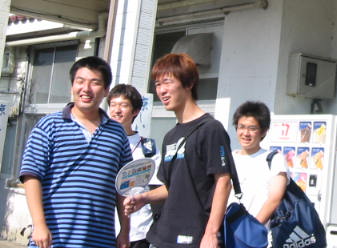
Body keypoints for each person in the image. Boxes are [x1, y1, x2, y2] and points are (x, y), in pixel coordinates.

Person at [20, 56, 132, 248]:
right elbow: (31, 176)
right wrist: (39, 225)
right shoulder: (49, 126)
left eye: (95, 83)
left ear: (105, 91)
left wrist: (125, 231)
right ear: (72, 86)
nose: (86, 89)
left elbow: (124, 185)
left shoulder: (117, 133)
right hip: (53, 238)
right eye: (80, 82)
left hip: (100, 239)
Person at [125, 53, 232, 248]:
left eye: (167, 82)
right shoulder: (170, 136)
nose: (162, 91)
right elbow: (171, 186)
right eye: (157, 84)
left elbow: (223, 182)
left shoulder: (210, 129)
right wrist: (144, 197)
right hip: (163, 235)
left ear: (189, 83)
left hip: (194, 236)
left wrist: (211, 233)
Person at [108, 84, 159, 248]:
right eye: (113, 105)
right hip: (103, 228)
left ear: (135, 111)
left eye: (123, 105)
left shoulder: (148, 148)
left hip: (138, 230)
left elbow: (158, 187)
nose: (117, 110)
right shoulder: (99, 143)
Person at [230, 101, 288, 225]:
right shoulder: (229, 158)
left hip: (256, 236)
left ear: (264, 131)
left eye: (252, 128)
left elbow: (274, 198)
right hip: (226, 232)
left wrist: (252, 229)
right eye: (241, 127)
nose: (245, 133)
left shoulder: (274, 159)